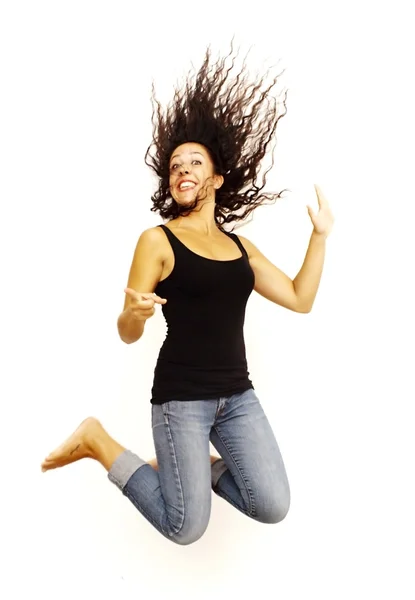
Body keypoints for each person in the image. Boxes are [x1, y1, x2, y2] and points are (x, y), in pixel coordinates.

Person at [41, 43, 334, 545]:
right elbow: (129, 332)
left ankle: (199, 469)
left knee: (272, 504)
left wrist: (320, 237)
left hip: (237, 397)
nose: (182, 171)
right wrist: (133, 311)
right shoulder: (157, 240)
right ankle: (97, 439)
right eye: (176, 166)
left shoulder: (242, 248)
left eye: (194, 163)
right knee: (185, 527)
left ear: (217, 178)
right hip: (181, 399)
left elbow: (299, 298)